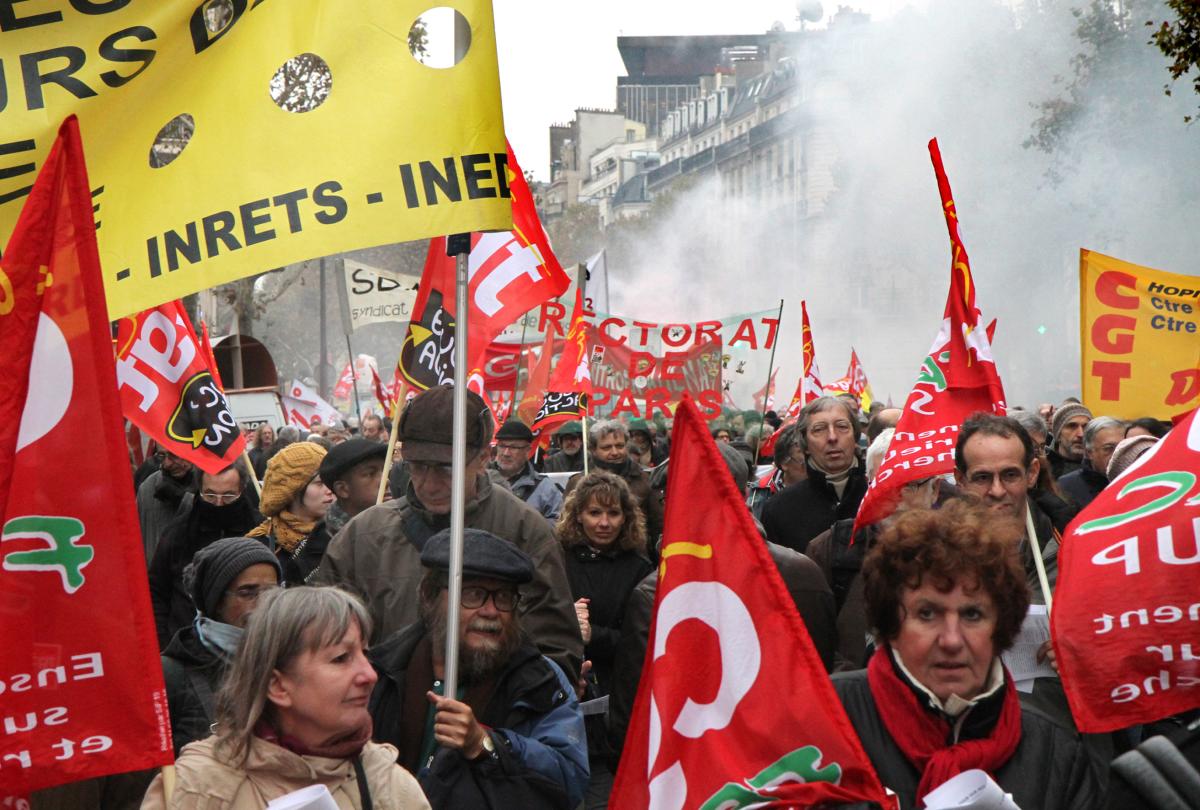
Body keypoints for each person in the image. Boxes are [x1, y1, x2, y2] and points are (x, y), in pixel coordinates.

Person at [831, 500, 1100, 809]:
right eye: (927, 613)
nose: (951, 640)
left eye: (972, 614)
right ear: (891, 623)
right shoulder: (831, 718)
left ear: (1002, 625)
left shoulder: (1054, 751)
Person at [313, 385, 582, 681]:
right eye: (418, 466)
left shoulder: (526, 532)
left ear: (482, 458)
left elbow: (555, 654)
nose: (429, 483)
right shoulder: (361, 538)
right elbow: (324, 647)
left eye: (446, 468)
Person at [141, 587, 430, 809]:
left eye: (364, 654)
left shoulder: (390, 787)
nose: (369, 675)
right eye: (341, 658)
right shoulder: (195, 788)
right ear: (277, 686)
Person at [369, 528, 589, 810]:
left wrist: (487, 743)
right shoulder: (381, 670)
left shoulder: (540, 681)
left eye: (503, 597)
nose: (490, 611)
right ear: (429, 595)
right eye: (473, 594)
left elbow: (569, 778)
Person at [556, 472, 653, 807]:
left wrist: (592, 635)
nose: (604, 523)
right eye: (595, 513)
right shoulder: (558, 558)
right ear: (578, 514)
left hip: (610, 702)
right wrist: (566, 621)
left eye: (613, 514)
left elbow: (638, 641)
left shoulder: (639, 567)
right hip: (561, 690)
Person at [807, 428, 941, 671]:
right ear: (870, 486)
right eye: (886, 483)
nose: (897, 499)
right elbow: (812, 647)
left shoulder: (961, 554)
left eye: (910, 484)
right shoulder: (829, 550)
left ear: (936, 489)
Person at [161, 537, 282, 755]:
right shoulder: (171, 675)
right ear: (215, 601)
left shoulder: (291, 661)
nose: (264, 603)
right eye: (248, 592)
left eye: (272, 591)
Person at [150, 461, 262, 648]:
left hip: (248, 648)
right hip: (188, 649)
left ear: (242, 490)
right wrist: (165, 643)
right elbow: (156, 590)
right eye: (210, 495)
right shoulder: (178, 532)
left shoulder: (261, 530)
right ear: (199, 490)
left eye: (228, 496)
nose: (218, 503)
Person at [954, 413, 1058, 604]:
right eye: (982, 478)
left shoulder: (1065, 545)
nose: (997, 490)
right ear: (960, 480)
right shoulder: (937, 556)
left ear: (1032, 473)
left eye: (1010, 475)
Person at [760, 396, 868, 555]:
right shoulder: (779, 508)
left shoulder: (881, 498)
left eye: (842, 426)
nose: (832, 437)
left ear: (855, 436)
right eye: (819, 429)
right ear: (805, 443)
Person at [246, 442, 334, 586]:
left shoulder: (344, 534)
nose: (329, 489)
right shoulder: (261, 545)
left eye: (330, 480)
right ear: (292, 491)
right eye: (319, 483)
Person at [567, 419, 663, 543]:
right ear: (593, 450)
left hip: (634, 553)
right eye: (606, 447)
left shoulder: (645, 480)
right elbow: (568, 525)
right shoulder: (577, 483)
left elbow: (658, 524)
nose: (615, 452)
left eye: (619, 446)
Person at [491, 419, 564, 522]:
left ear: (528, 451)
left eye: (513, 447)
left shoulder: (545, 489)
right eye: (502, 446)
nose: (506, 453)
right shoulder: (478, 480)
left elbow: (557, 526)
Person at [137, 450, 197, 564]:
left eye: (174, 455)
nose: (167, 463)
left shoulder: (212, 484)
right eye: (161, 455)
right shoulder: (148, 487)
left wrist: (184, 500)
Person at [319, 438, 388, 535]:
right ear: (342, 489)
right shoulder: (325, 544)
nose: (386, 480)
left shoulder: (400, 525)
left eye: (386, 471)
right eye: (370, 474)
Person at [1058, 416, 1124, 509]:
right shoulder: (1066, 487)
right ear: (1089, 453)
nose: (1117, 453)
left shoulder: (1135, 480)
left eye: (1123, 447)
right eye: (1109, 448)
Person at [746, 422, 804, 521]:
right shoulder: (758, 492)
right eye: (804, 461)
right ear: (784, 462)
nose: (813, 464)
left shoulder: (828, 488)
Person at [1046, 401, 1092, 478]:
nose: (1081, 434)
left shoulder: (1101, 469)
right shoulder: (1043, 471)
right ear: (1058, 433)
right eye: (1072, 426)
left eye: (1085, 427)